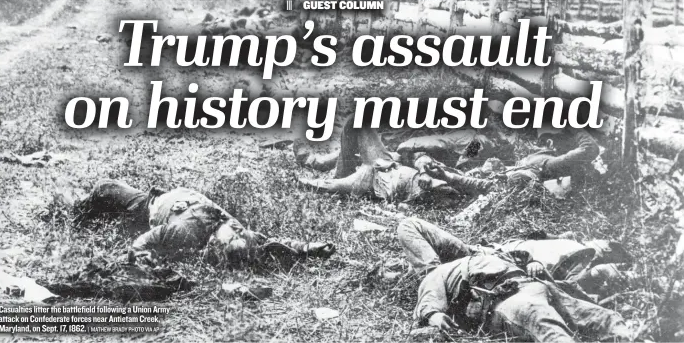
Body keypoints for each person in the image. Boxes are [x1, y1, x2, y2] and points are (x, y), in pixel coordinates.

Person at [397, 217, 633, 342]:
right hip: (504, 298)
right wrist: (434, 315)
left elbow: (520, 256)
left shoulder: (481, 255)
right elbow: (429, 304)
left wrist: (532, 262)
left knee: (601, 317)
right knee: (543, 322)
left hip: (537, 285)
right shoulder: (435, 275)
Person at [75, 179, 336, 265]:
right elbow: (270, 242)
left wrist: (141, 258)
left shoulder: (185, 233)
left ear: (215, 244)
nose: (236, 229)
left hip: (145, 209)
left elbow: (144, 241)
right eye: (238, 233)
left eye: (233, 237)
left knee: (105, 189)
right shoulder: (235, 232)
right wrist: (307, 247)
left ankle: (79, 208)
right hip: (172, 198)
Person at [295, 115, 493, 202]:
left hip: (401, 164)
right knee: (364, 139)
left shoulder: (472, 140)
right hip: (404, 161)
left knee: (358, 126)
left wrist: (418, 157)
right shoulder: (473, 143)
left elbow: (417, 147)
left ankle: (323, 166)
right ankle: (322, 165)